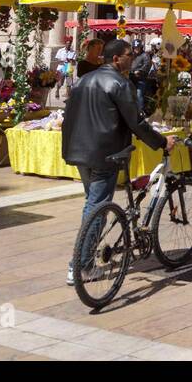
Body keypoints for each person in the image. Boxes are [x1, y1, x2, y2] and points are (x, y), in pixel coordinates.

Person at [61, 39, 175, 286]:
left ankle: (83, 257)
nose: (132, 58)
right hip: (106, 153)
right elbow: (137, 122)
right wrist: (162, 142)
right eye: (128, 55)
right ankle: (81, 265)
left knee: (92, 204)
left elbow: (68, 115)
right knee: (97, 207)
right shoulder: (119, 83)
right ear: (115, 59)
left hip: (81, 152)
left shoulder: (84, 80)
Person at [130, 41, 157, 115]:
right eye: (135, 48)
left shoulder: (145, 55)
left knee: (139, 94)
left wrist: (139, 71)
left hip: (141, 79)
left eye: (138, 47)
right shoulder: (132, 55)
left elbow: (147, 65)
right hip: (131, 78)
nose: (136, 49)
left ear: (141, 47)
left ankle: (140, 112)